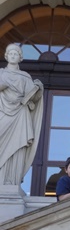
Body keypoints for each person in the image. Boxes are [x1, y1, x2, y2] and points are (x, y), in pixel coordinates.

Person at [0, 43, 44, 185]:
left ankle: (11, 181)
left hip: (20, 114)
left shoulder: (25, 76)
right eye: (10, 53)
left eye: (16, 54)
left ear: (20, 58)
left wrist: (38, 89)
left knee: (18, 146)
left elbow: (33, 98)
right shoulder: (1, 73)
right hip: (3, 112)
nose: (13, 56)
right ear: (6, 56)